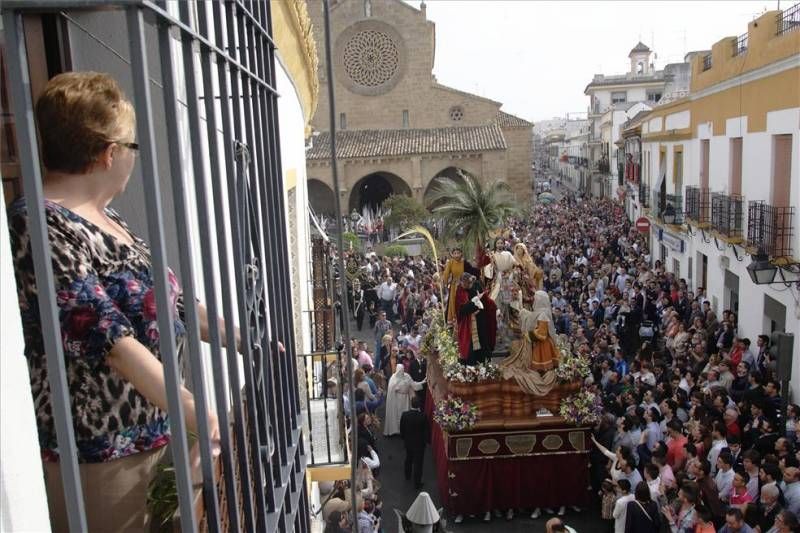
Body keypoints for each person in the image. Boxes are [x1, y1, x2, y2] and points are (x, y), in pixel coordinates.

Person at [9, 71, 223, 532]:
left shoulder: (109, 219)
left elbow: (172, 302)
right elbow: (110, 339)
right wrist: (195, 411)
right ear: (110, 154)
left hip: (164, 436)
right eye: (133, 148)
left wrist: (246, 337)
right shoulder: (40, 226)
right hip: (103, 458)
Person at [455, 273, 497, 365]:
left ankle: (484, 364)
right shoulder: (460, 291)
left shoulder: (477, 285)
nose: (466, 286)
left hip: (480, 320)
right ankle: (471, 366)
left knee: (483, 343)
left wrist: (480, 301)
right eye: (464, 284)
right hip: (468, 323)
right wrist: (474, 303)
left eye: (468, 284)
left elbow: (484, 299)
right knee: (470, 347)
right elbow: (461, 310)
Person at [384, 365, 425, 436]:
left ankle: (405, 429)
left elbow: (413, 385)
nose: (402, 372)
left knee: (405, 414)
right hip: (397, 400)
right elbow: (391, 390)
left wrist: (422, 382)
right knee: (397, 415)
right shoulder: (393, 379)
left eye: (403, 370)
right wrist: (395, 389)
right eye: (400, 371)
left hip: (406, 399)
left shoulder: (407, 376)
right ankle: (396, 430)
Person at [400, 396, 428, 489]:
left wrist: (404, 438)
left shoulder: (405, 415)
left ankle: (407, 475)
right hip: (419, 444)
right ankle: (417, 483)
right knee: (418, 463)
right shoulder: (423, 416)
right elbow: (426, 431)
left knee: (408, 459)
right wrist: (426, 442)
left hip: (408, 442)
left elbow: (402, 428)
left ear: (411, 404)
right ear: (419, 405)